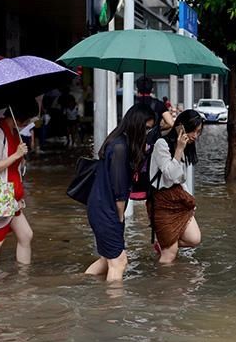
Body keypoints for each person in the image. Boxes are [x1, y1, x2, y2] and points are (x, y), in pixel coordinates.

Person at [84, 104, 156, 282]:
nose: (147, 133)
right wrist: (120, 218)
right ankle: (114, 307)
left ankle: (81, 286)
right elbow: (119, 191)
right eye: (146, 128)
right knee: (119, 262)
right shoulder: (120, 148)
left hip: (99, 207)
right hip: (106, 210)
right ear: (136, 125)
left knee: (105, 260)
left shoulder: (118, 142)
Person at [0, 99, 39, 267]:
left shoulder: (13, 132)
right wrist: (15, 156)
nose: (28, 123)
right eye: (28, 119)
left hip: (13, 197)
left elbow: (13, 166)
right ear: (20, 117)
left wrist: (21, 159)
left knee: (26, 235)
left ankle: (23, 279)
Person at [148, 109, 203, 264]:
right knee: (170, 255)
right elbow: (170, 175)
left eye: (198, 132)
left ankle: (164, 243)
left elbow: (180, 179)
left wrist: (188, 199)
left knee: (195, 239)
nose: (195, 136)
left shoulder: (186, 146)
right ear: (180, 126)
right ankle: (164, 285)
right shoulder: (162, 144)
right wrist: (179, 149)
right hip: (161, 201)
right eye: (192, 131)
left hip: (178, 198)